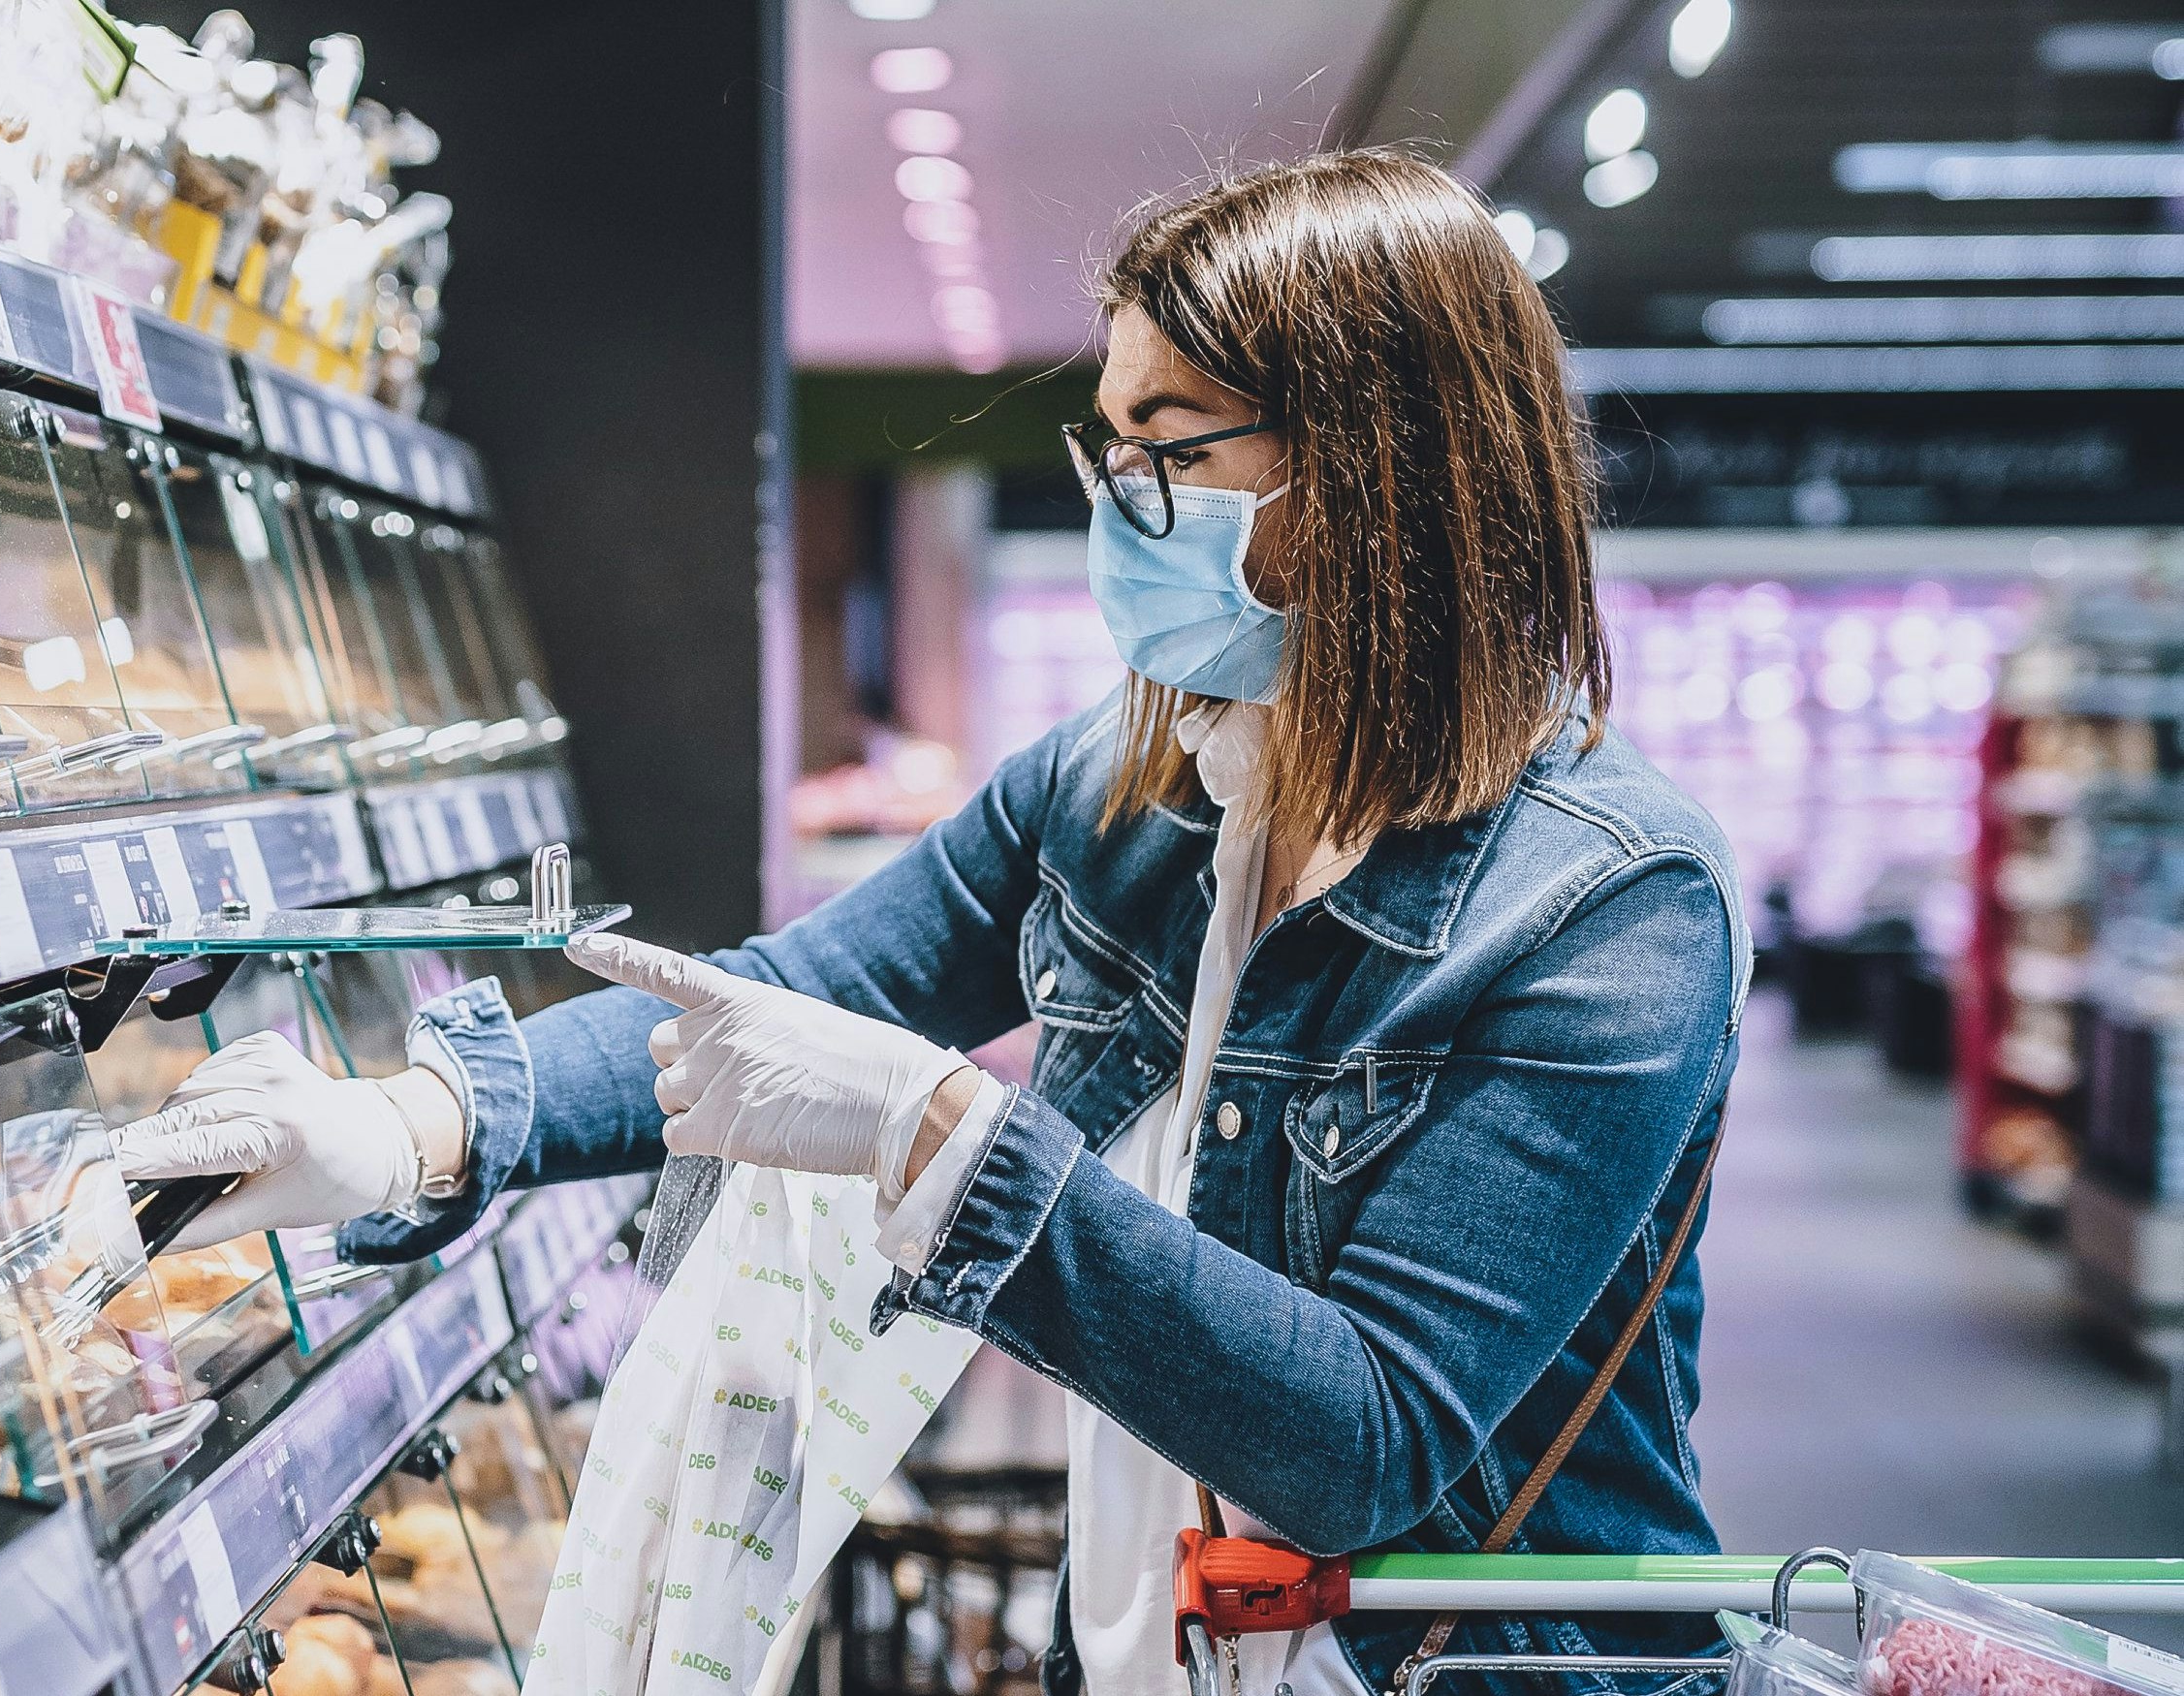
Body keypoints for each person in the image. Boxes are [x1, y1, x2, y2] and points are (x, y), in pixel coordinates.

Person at [119, 150, 1747, 1696]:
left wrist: (941, 1133)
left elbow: (1362, 1431)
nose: (1121, 501)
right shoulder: (1135, 796)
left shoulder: (1610, 907)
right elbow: (786, 990)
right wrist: (421, 1123)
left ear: (1372, 473)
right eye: (1107, 445)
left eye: (1170, 447)